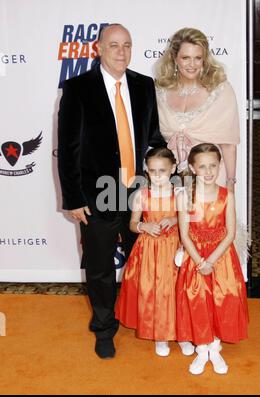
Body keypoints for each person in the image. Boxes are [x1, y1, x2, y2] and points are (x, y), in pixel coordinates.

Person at [57, 24, 165, 359]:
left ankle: (148, 321)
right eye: (114, 45)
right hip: (95, 197)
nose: (121, 52)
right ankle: (104, 328)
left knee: (144, 263)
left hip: (137, 195)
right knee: (101, 269)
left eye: (127, 45)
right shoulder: (77, 89)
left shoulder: (145, 86)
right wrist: (73, 199)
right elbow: (68, 147)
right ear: (99, 48)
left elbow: (153, 139)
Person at [176, 143, 248, 375]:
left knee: (221, 301)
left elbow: (230, 233)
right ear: (192, 168)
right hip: (195, 257)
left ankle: (214, 347)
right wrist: (199, 262)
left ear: (220, 166)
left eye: (213, 166)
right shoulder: (185, 197)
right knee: (197, 301)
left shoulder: (227, 196)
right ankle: (202, 349)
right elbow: (184, 234)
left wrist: (211, 261)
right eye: (203, 166)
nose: (208, 171)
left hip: (221, 258)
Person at [115, 147, 194, 357]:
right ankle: (160, 335)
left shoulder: (180, 193)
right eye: (152, 171)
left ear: (173, 169)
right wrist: (144, 227)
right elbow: (132, 223)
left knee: (178, 291)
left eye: (162, 170)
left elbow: (191, 219)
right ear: (147, 171)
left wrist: (174, 219)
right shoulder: (142, 195)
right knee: (155, 292)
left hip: (176, 247)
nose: (157, 176)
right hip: (149, 250)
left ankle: (183, 334)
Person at [155, 27, 239, 191]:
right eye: (185, 58)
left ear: (205, 59)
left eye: (198, 58)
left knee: (209, 217)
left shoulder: (220, 90)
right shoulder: (159, 91)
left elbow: (229, 145)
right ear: (174, 58)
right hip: (172, 178)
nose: (192, 64)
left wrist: (230, 184)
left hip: (211, 177)